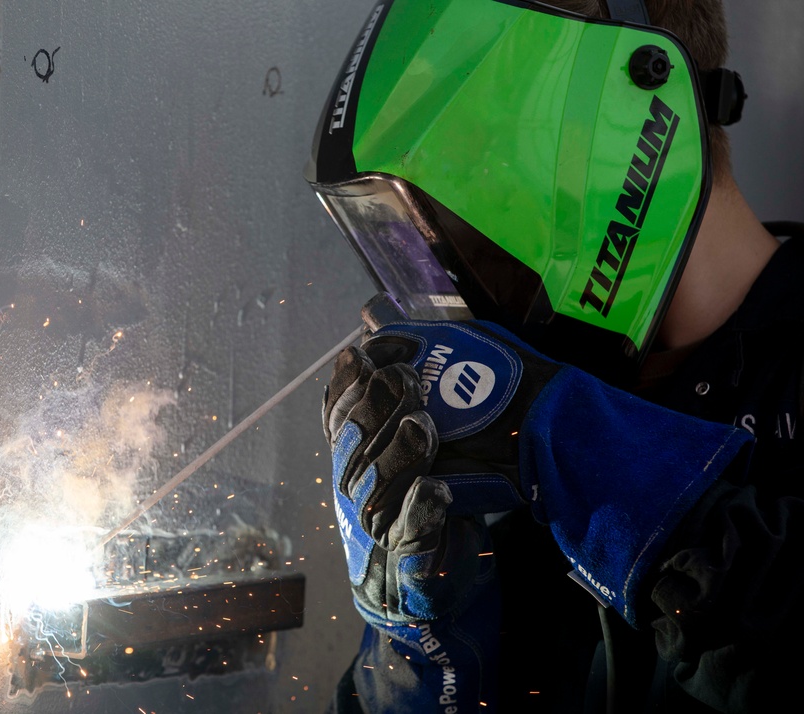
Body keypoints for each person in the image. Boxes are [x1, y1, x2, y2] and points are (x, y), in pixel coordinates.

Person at [305, 0, 804, 711]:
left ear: (619, 123)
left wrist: (596, 465)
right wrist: (418, 656)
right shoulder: (508, 446)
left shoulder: (538, 430)